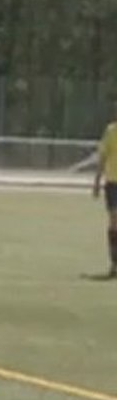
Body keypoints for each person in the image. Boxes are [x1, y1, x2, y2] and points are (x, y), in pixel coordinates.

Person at [92, 107, 117, 277]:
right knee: (114, 222)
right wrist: (97, 181)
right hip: (113, 182)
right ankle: (114, 263)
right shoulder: (111, 131)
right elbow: (102, 157)